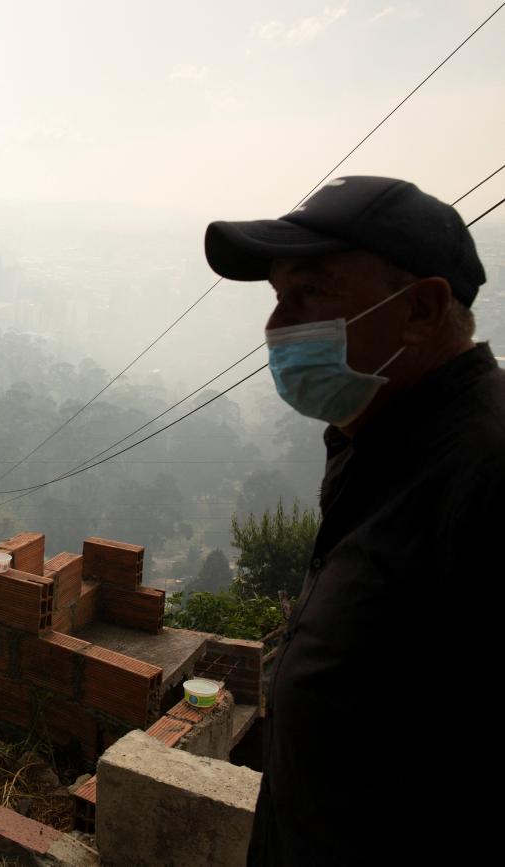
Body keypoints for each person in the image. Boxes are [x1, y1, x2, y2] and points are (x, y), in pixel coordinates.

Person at [205, 176, 502, 865]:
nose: (278, 327)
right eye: (279, 297)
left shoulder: (485, 476)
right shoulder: (380, 441)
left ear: (422, 309)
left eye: (313, 292)